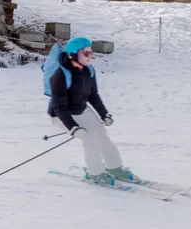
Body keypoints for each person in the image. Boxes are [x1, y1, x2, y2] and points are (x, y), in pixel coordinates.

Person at [49, 37, 138, 186]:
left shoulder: (88, 70)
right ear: (73, 54)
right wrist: (72, 127)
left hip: (82, 110)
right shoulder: (60, 75)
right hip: (62, 115)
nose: (90, 56)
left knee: (102, 136)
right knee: (90, 139)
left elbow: (93, 95)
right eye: (86, 53)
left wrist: (104, 114)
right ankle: (95, 174)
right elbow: (59, 107)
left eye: (91, 52)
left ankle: (115, 168)